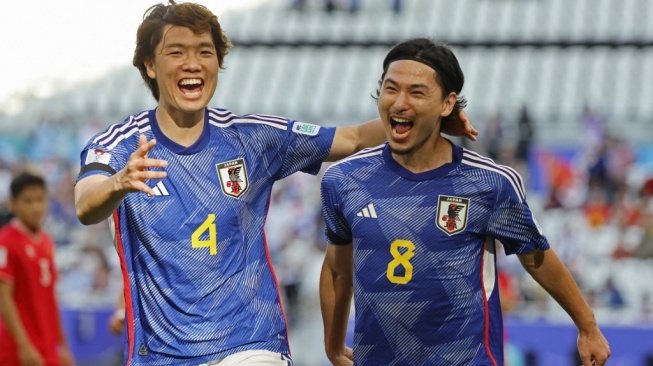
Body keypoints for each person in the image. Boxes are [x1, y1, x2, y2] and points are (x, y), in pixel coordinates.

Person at [73, 2, 477, 365]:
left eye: (205, 52)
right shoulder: (120, 145)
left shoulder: (253, 137)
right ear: (149, 65)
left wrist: (432, 121)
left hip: (250, 344)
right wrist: (117, 185)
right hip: (160, 354)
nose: (192, 63)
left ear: (218, 63)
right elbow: (85, 205)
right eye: (176, 53)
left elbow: (350, 138)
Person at [319, 38, 611, 366]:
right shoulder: (344, 179)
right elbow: (336, 269)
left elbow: (536, 258)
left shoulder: (489, 183)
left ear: (448, 104)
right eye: (390, 89)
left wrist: (587, 326)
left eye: (416, 92)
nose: (400, 103)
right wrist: (332, 346)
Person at [0, 172, 75, 366]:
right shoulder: (5, 242)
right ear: (13, 203)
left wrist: (64, 346)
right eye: (28, 201)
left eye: (40, 200)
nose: (36, 207)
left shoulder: (47, 244)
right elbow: (4, 297)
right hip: (19, 351)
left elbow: (51, 298)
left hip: (48, 348)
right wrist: (23, 345)